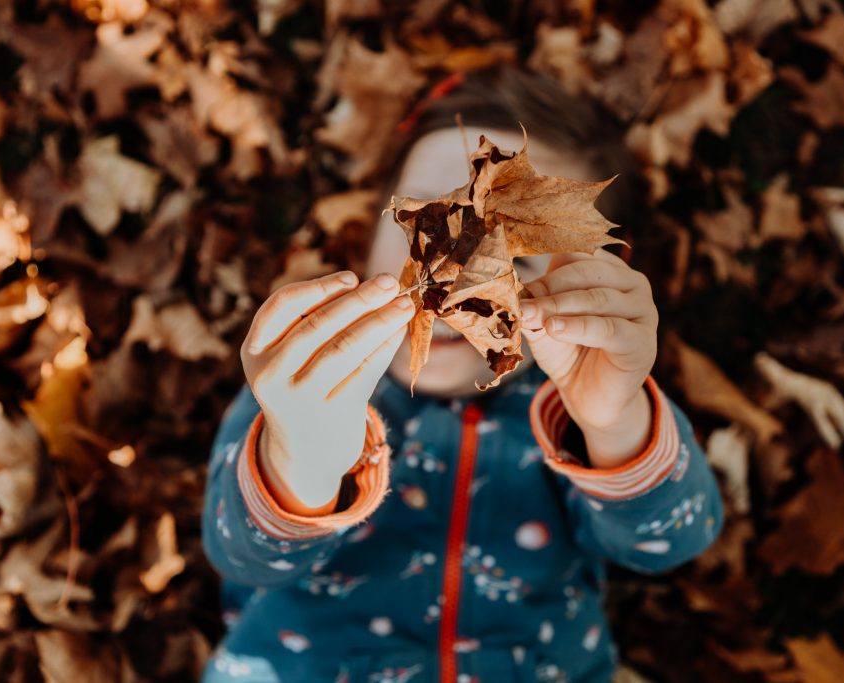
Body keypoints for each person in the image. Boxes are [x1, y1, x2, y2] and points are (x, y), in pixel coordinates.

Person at [200, 65, 725, 683]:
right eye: (426, 219)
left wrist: (614, 421)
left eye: (515, 248)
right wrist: (304, 459)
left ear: (590, 282)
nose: (456, 271)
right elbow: (239, 556)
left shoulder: (568, 413)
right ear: (368, 231)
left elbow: (672, 542)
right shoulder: (309, 386)